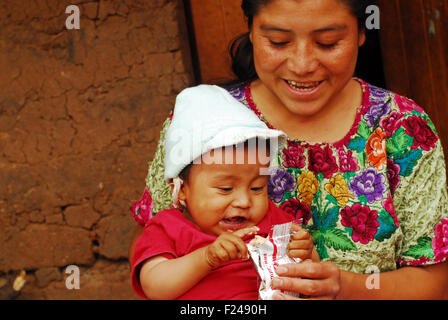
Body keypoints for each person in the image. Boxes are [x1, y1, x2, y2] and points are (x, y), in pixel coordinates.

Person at [130, 0, 448, 299]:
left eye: (328, 43)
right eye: (279, 42)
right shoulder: (201, 126)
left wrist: (345, 287)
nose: (302, 65)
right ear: (252, 30)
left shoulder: (401, 127)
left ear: (362, 32)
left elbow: (435, 283)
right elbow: (155, 259)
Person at [131, 85, 317, 300]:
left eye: (257, 187)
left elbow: (311, 276)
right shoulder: (168, 228)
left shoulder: (274, 220)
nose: (244, 201)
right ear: (181, 189)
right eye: (226, 189)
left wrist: (306, 252)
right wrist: (206, 258)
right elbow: (155, 288)